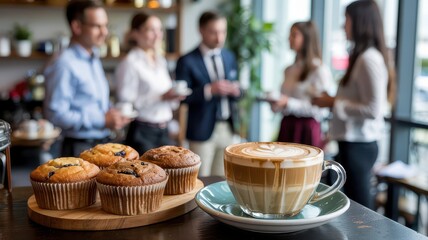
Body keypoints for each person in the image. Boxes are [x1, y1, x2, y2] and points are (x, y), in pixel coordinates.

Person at [312, 0, 395, 209]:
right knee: (352, 205)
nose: (343, 26)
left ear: (359, 23)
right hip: (352, 144)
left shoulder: (369, 59)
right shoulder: (362, 57)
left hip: (359, 146)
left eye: (346, 20)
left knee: (361, 208)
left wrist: (333, 102)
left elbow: (374, 109)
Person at [44, 0, 130, 157]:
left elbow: (93, 102)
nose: (104, 32)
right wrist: (102, 120)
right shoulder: (64, 63)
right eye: (97, 26)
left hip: (101, 143)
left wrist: (112, 113)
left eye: (106, 26)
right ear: (77, 27)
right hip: (78, 147)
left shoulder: (93, 57)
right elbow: (55, 114)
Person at [175, 11, 242, 176]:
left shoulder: (229, 57)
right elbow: (182, 98)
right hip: (201, 130)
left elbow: (240, 91)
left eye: (223, 32)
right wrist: (209, 90)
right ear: (201, 30)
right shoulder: (187, 60)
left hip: (227, 127)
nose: (219, 37)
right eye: (213, 32)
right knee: (200, 179)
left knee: (222, 179)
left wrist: (236, 90)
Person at [115, 12, 184, 155]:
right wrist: (161, 97)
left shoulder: (160, 60)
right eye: (151, 30)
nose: (157, 35)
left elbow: (168, 101)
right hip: (142, 133)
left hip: (164, 131)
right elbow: (126, 104)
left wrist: (173, 97)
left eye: (159, 30)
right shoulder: (130, 63)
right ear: (136, 33)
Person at [269, 21, 333, 149]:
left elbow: (322, 108)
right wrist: (277, 104)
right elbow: (284, 100)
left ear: (307, 38)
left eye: (294, 35)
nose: (289, 39)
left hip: (306, 130)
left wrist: (289, 103)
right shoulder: (289, 70)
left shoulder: (319, 70)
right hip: (287, 126)